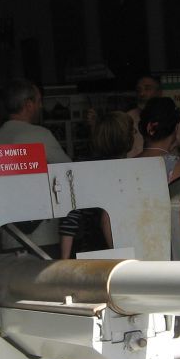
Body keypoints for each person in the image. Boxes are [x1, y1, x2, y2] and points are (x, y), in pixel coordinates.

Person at [59, 111, 136, 259]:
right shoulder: (135, 171)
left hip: (92, 253)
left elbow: (70, 218)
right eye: (132, 131)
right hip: (131, 250)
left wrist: (64, 261)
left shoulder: (82, 168)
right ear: (127, 138)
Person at [0, 78, 71, 164]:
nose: (41, 106)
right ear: (29, 105)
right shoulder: (40, 135)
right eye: (39, 101)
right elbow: (68, 169)